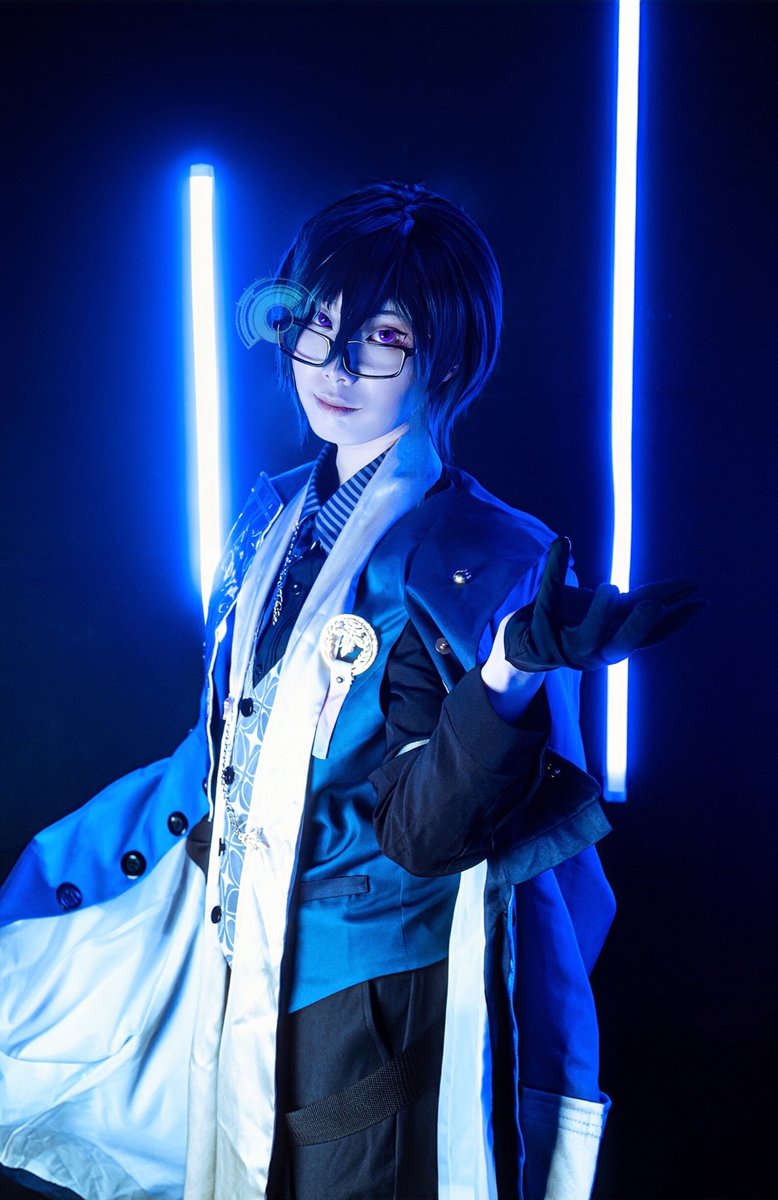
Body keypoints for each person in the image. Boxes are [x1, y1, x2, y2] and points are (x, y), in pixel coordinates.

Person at [0, 181, 700, 1200]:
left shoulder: (480, 557)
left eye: (381, 336)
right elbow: (227, 740)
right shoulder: (276, 515)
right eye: (317, 325)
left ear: (446, 357)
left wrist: (507, 672)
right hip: (237, 948)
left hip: (364, 989)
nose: (333, 367)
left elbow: (425, 833)